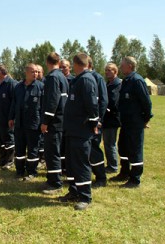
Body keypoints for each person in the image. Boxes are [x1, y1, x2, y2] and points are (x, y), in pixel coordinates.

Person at [60, 53, 99, 211]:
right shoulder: (78, 80)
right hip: (72, 130)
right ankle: (74, 191)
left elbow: (92, 105)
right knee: (71, 163)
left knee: (81, 164)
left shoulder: (87, 80)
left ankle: (85, 197)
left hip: (81, 131)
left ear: (76, 64)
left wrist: (93, 123)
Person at [112, 56, 153, 188]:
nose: (120, 67)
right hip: (125, 121)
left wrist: (144, 119)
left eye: (122, 65)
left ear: (130, 66)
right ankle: (125, 172)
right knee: (123, 147)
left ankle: (135, 179)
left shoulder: (137, 80)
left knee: (135, 150)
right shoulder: (126, 80)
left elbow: (146, 102)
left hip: (135, 122)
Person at [8, 63, 44, 181]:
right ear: (26, 72)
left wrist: (44, 122)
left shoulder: (40, 86)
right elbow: (14, 103)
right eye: (33, 72)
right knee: (20, 148)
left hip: (34, 123)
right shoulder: (18, 87)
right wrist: (11, 117)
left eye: (37, 72)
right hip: (20, 123)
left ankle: (32, 172)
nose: (35, 74)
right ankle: (19, 170)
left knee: (33, 149)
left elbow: (43, 106)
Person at [41, 52, 69, 194]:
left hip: (54, 122)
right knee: (57, 152)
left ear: (47, 62)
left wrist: (46, 121)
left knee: (52, 153)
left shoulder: (52, 77)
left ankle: (55, 183)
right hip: (62, 120)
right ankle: (53, 179)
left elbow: (52, 101)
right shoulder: (62, 77)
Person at [88, 57, 109, 188]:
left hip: (94, 122)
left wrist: (98, 119)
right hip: (85, 122)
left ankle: (101, 177)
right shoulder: (81, 77)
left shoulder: (97, 78)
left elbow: (103, 101)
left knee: (94, 149)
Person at [0, 63, 17, 169]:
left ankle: (10, 161)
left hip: (8, 118)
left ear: (0, 72)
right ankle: (3, 159)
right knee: (1, 140)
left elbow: (14, 102)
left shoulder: (11, 83)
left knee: (9, 139)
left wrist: (11, 117)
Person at [103, 63, 121, 173]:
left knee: (110, 143)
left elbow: (115, 101)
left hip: (113, 118)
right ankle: (110, 164)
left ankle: (113, 166)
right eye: (106, 70)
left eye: (109, 70)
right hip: (107, 117)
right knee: (107, 142)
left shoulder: (118, 84)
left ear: (115, 71)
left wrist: (109, 108)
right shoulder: (108, 84)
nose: (107, 72)